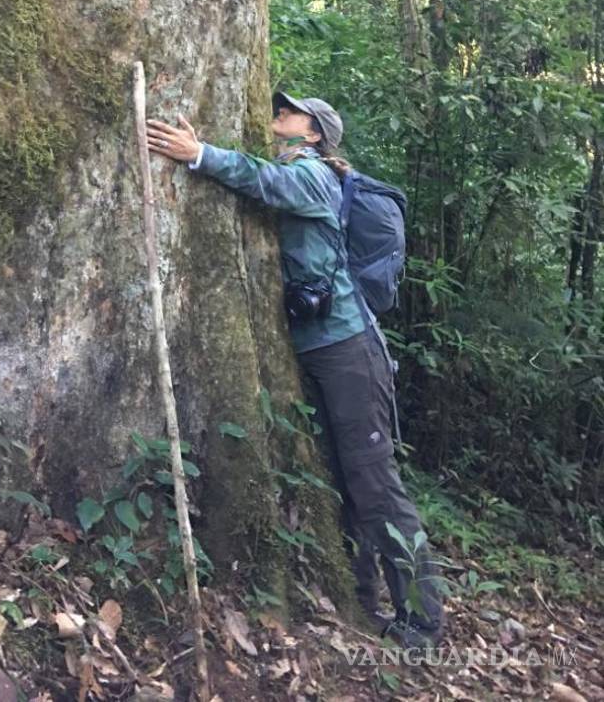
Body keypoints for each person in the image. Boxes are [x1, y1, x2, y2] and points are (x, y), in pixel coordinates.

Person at [146, 92, 445, 650]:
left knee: (373, 481)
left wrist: (198, 153)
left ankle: (422, 621)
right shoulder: (303, 168)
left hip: (350, 350)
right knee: (341, 479)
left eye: (293, 111)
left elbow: (264, 181)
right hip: (321, 349)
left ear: (312, 135)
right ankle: (361, 598)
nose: (280, 112)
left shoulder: (312, 175)